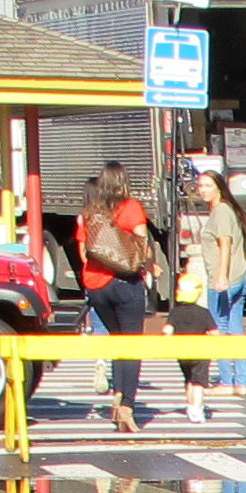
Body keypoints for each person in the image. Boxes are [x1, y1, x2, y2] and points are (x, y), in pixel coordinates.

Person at [76, 158, 154, 433]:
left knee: (117, 341)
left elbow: (84, 253)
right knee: (132, 345)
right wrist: (147, 266)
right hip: (124, 282)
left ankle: (117, 394)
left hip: (96, 285)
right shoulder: (131, 207)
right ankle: (127, 406)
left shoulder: (90, 212)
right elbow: (142, 244)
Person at [177, 168, 246, 425]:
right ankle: (239, 382)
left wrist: (220, 276)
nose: (203, 190)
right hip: (240, 276)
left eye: (208, 185)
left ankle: (226, 381)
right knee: (235, 328)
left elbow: (225, 244)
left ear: (219, 187)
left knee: (218, 329)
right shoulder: (226, 210)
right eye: (200, 185)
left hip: (225, 279)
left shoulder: (221, 211)